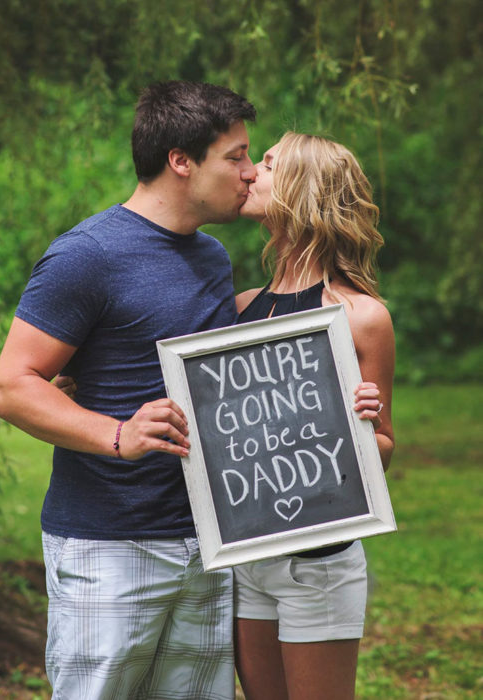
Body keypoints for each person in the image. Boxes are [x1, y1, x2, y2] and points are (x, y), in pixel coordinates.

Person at [0, 80, 257, 700]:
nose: (248, 173)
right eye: (235, 156)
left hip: (206, 543)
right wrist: (116, 434)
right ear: (180, 161)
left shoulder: (212, 257)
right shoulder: (87, 256)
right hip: (110, 544)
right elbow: (10, 385)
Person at [232, 132, 395, 700]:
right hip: (248, 557)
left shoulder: (361, 318)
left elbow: (385, 452)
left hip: (317, 564)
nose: (251, 172)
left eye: (269, 164)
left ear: (303, 190)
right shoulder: (241, 309)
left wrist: (364, 429)